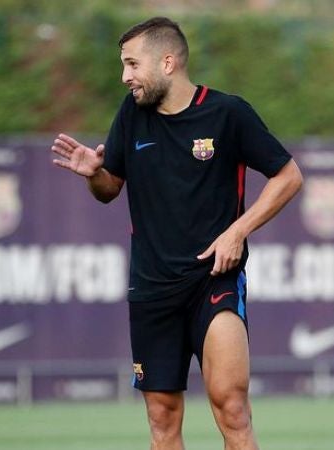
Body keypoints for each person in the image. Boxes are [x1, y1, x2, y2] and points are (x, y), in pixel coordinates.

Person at [51, 17, 302, 450]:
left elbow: (288, 176)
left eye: (132, 64)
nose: (124, 76)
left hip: (214, 281)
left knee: (232, 407)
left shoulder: (228, 113)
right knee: (162, 421)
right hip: (151, 290)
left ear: (167, 62)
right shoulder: (132, 114)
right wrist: (93, 174)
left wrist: (237, 232)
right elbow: (109, 188)